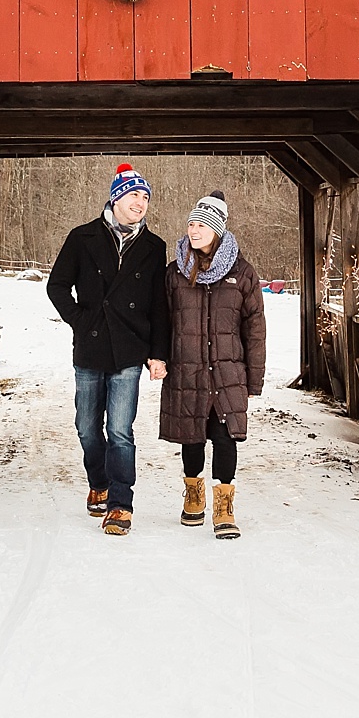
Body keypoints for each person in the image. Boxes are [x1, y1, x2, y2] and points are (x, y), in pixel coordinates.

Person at [47, 162, 170, 536]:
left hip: (129, 350)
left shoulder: (153, 247)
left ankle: (120, 504)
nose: (141, 202)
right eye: (134, 194)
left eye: (146, 197)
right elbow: (57, 286)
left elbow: (159, 306)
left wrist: (158, 353)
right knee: (87, 428)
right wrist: (81, 321)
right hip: (90, 347)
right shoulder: (82, 237)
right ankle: (98, 482)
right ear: (117, 198)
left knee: (120, 430)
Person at [159, 191, 266, 540]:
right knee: (191, 436)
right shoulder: (175, 273)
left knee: (224, 437)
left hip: (227, 371)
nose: (194, 229)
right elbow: (161, 320)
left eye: (202, 224)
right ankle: (193, 496)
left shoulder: (242, 273)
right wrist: (158, 356)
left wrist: (254, 379)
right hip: (187, 369)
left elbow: (255, 328)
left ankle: (224, 505)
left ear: (217, 229)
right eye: (191, 223)